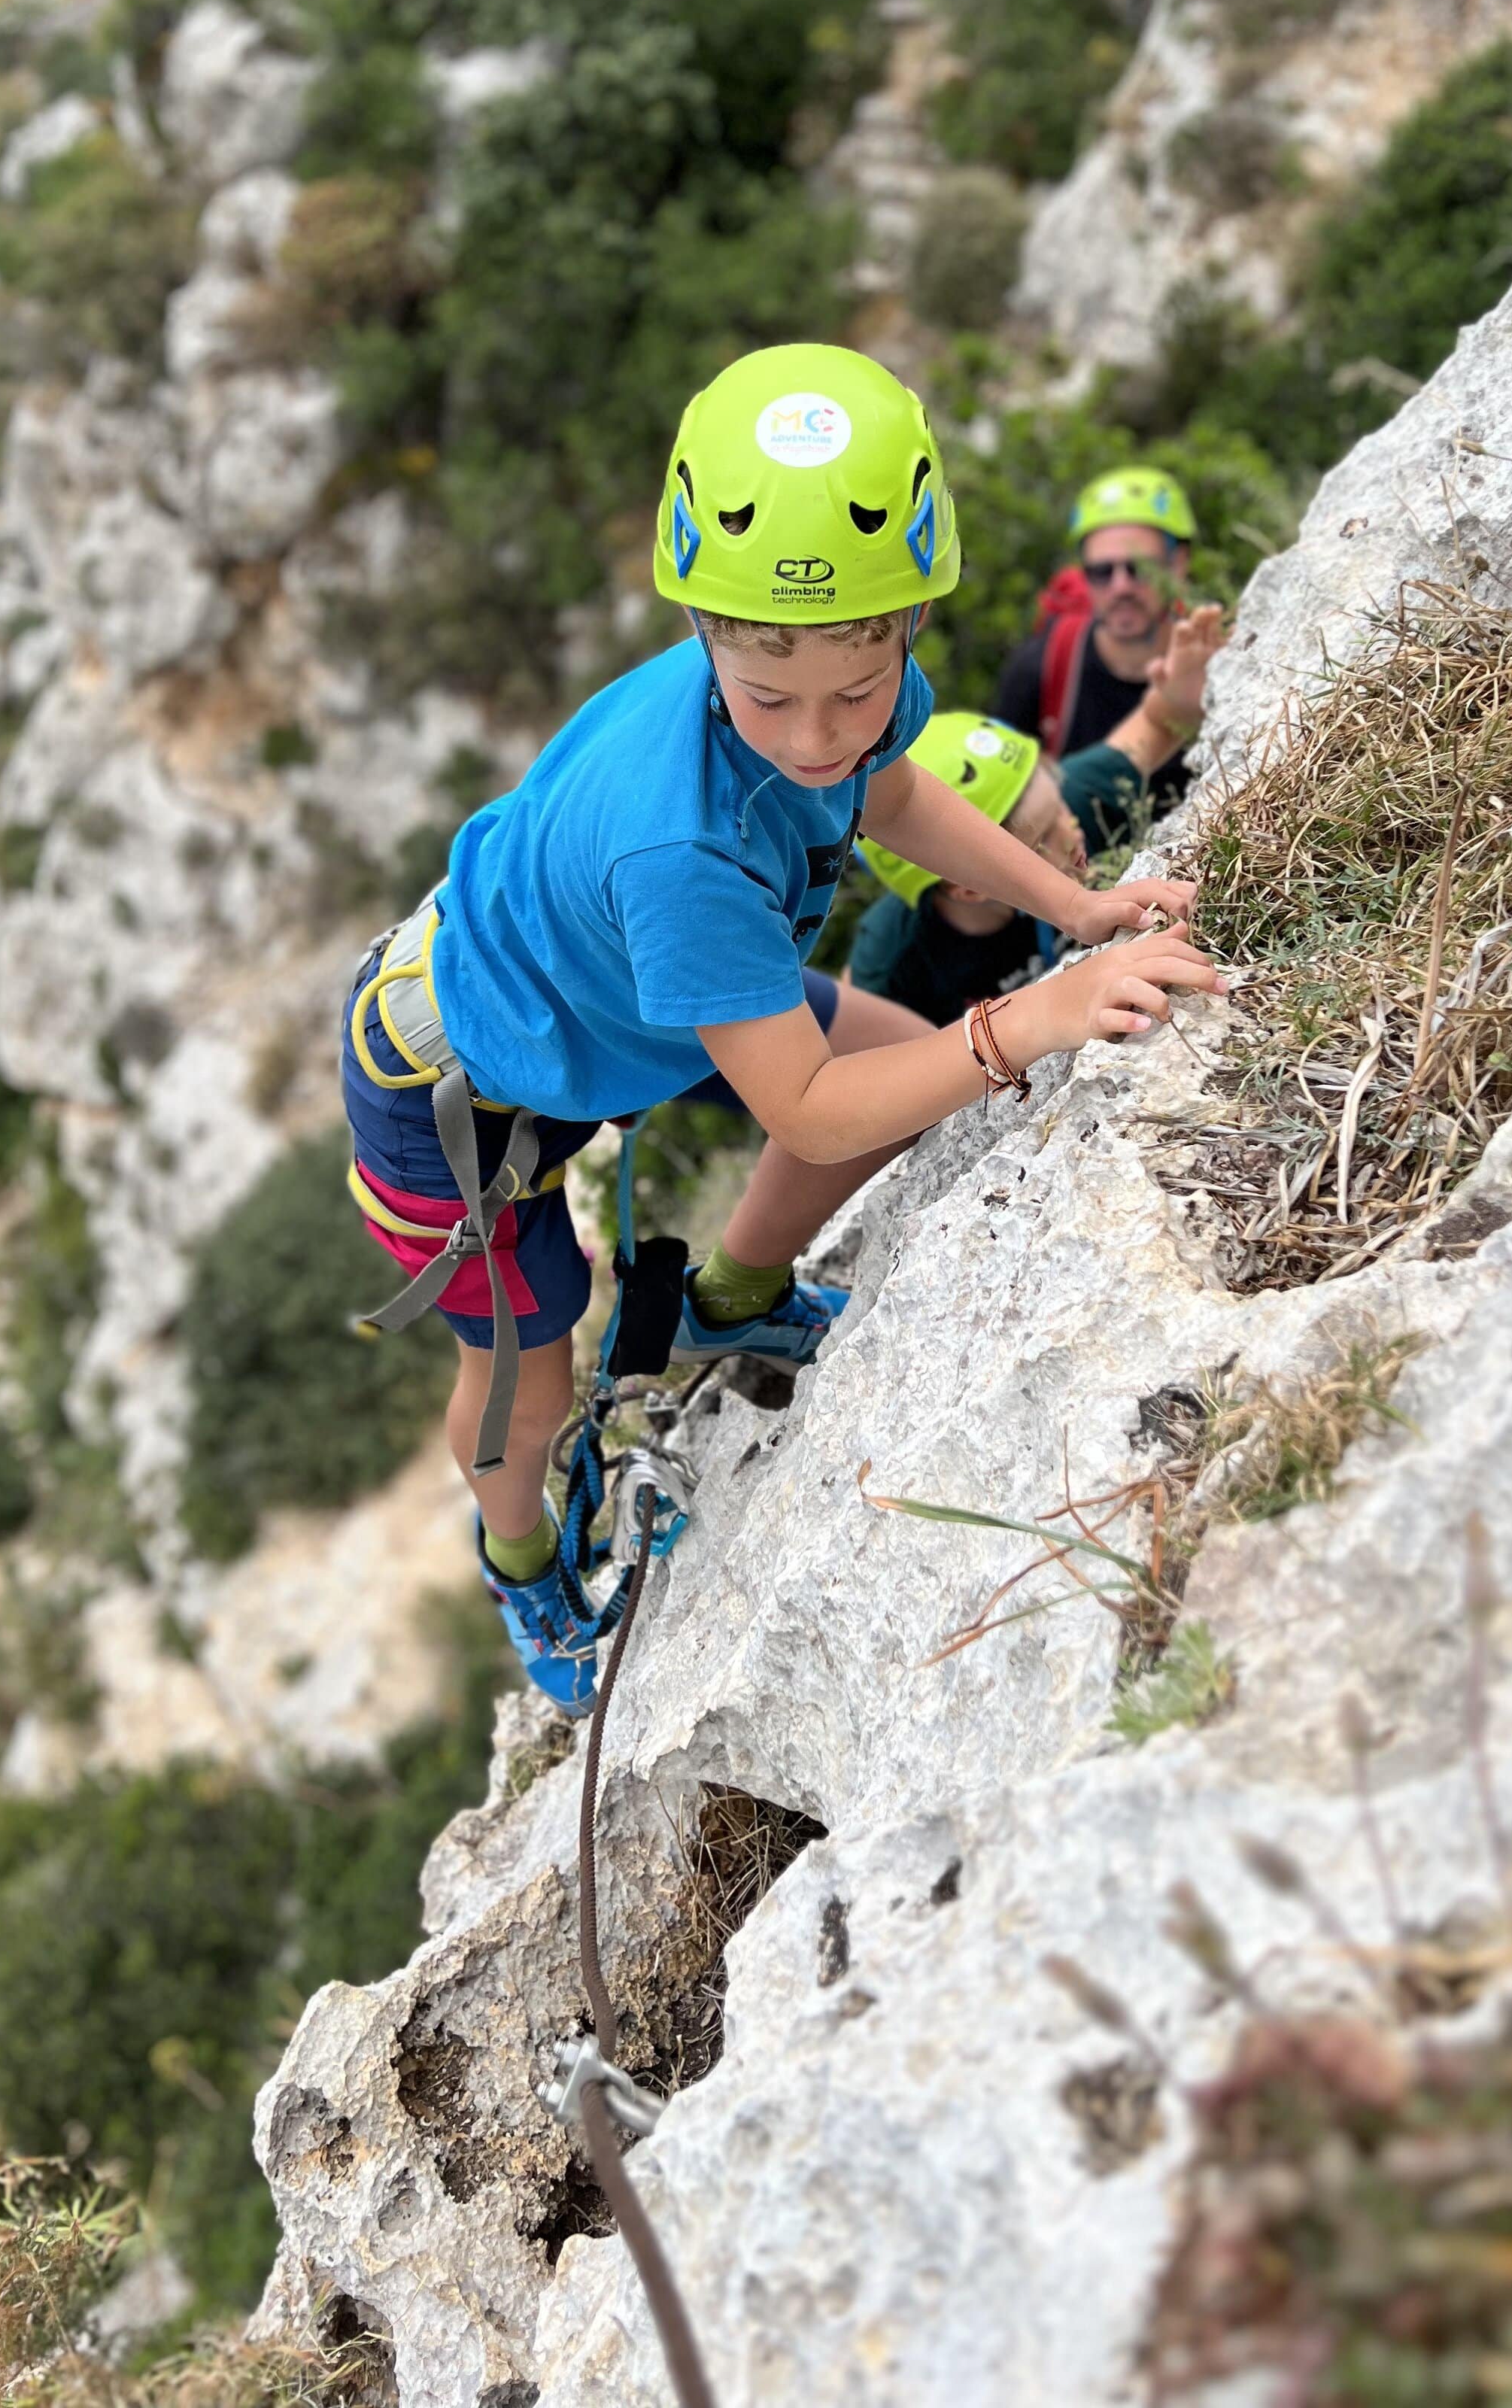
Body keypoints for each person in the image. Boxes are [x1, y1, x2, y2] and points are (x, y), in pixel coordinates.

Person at [338, 345, 1226, 1712]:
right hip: (462, 1088)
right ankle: (519, 1557)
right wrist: (1023, 1018)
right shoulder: (676, 843)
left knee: (891, 1061)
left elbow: (891, 795)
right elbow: (802, 1109)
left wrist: (1076, 902)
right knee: (531, 1368)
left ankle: (730, 1302)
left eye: (854, 690)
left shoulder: (829, 688)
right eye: (768, 698)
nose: (815, 735)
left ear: (903, 626)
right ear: (703, 635)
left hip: (627, 999)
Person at [851, 709, 1155, 1025]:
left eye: (1059, 804)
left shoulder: (1074, 801)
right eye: (1044, 837)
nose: (1072, 829)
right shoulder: (896, 971)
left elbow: (1152, 727)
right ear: (970, 887)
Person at [993, 466, 1227, 787]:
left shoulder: (1220, 664)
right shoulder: (1041, 669)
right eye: (1102, 571)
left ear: (1179, 564)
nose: (1121, 587)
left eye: (1139, 568)